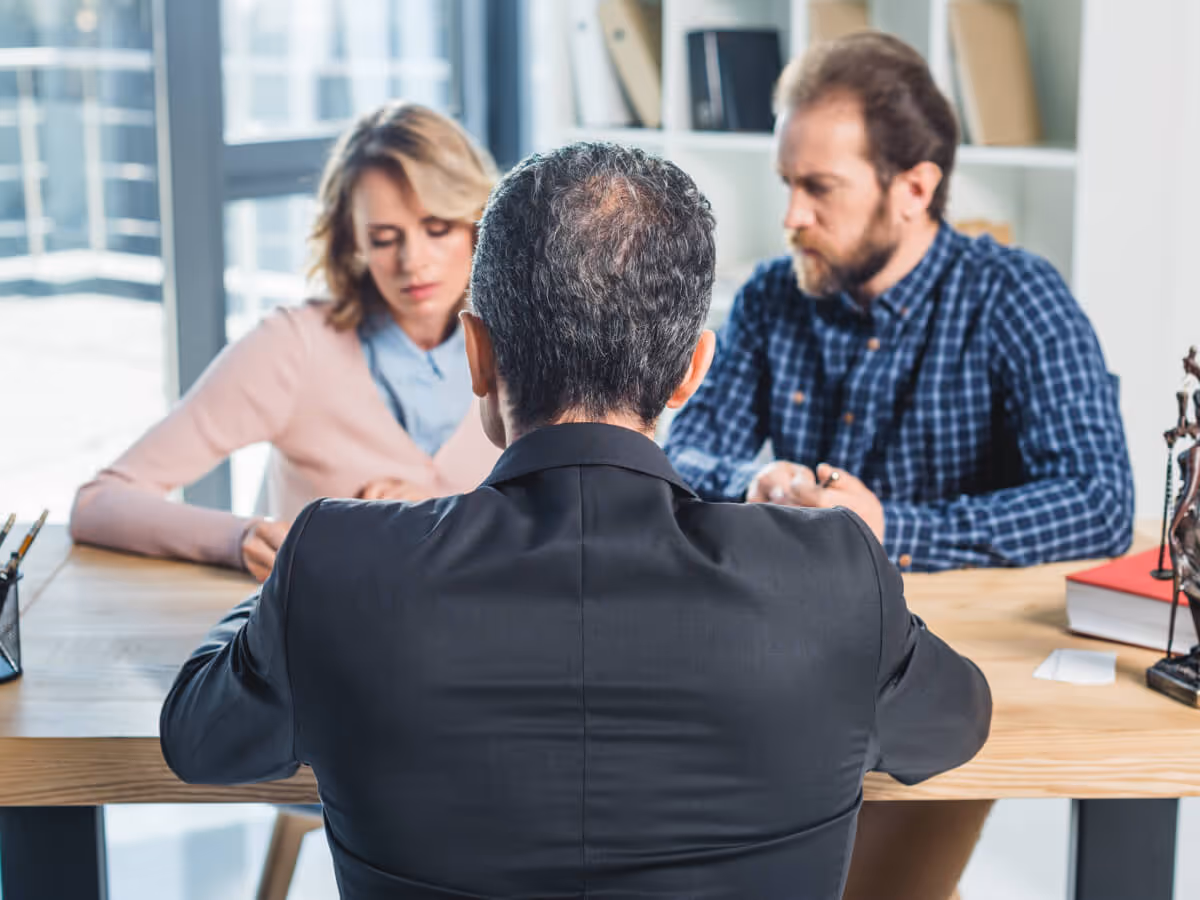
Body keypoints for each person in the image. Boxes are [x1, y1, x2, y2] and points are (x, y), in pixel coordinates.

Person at [159, 141, 991, 900]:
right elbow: (956, 724)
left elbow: (198, 738)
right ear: (691, 371)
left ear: (477, 354)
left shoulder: (337, 563)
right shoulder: (832, 574)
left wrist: (295, 577)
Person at [662, 32, 1133, 900]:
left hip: (938, 671)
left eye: (819, 188)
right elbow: (681, 453)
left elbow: (1098, 499)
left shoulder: (1018, 297)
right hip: (780, 661)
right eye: (786, 186)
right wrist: (752, 486)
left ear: (915, 187)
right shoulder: (771, 295)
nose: (792, 216)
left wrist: (891, 530)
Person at [69, 102, 501, 582]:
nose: (412, 261)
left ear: (478, 222)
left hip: (489, 641)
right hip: (323, 643)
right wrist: (240, 538)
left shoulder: (525, 347)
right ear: (351, 241)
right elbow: (98, 503)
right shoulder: (295, 347)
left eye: (437, 229)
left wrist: (430, 517)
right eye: (382, 239)